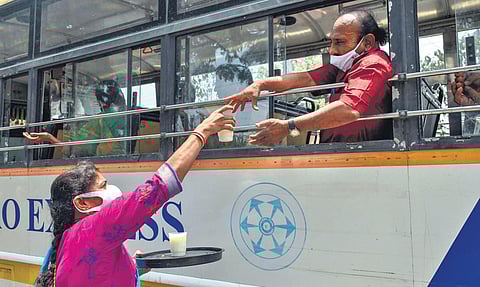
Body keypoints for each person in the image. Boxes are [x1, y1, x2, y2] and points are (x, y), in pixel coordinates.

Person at [33, 105, 235, 287]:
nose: (112, 190)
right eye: (104, 186)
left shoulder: (69, 240)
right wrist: (202, 132)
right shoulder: (92, 229)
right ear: (83, 203)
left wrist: (131, 267)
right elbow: (157, 188)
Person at [225, 10, 392, 145]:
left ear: (368, 42)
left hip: (363, 155)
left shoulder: (373, 64)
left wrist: (288, 127)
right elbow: (306, 79)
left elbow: (348, 109)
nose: (331, 51)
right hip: (339, 151)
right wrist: (260, 84)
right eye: (331, 42)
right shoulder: (345, 66)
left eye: (339, 42)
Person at [25, 79, 133, 158]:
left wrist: (49, 138)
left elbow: (73, 150)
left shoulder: (99, 120)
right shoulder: (133, 114)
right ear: (121, 95)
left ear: (99, 101)